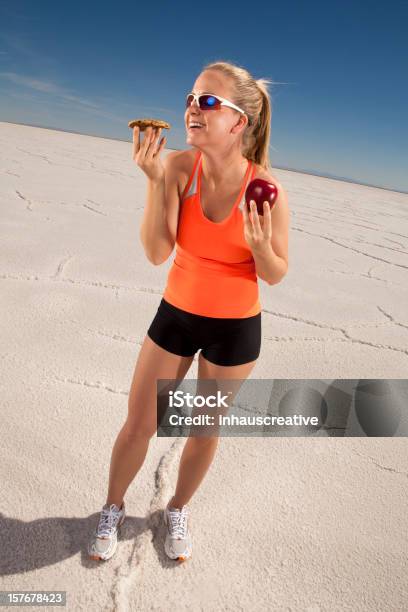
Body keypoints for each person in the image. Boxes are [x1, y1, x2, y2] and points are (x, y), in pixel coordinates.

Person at [88, 60, 290, 563]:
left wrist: (260, 246)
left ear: (238, 122)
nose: (190, 109)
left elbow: (276, 271)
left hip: (236, 330)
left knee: (203, 428)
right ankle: (112, 507)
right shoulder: (179, 168)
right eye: (189, 98)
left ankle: (176, 508)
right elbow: (157, 253)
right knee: (140, 423)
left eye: (206, 101)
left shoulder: (266, 189)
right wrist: (155, 181)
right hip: (176, 316)